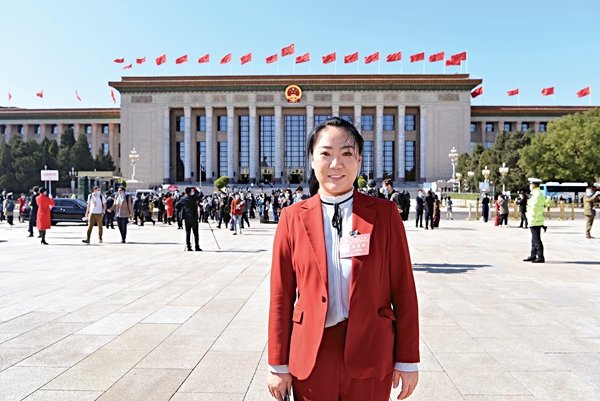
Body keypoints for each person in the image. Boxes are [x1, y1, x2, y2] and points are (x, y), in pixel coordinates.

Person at [267, 117, 419, 401]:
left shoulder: (384, 214)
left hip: (371, 347)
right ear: (312, 160)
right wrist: (278, 363)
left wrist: (408, 360)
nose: (336, 164)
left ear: (359, 160)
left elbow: (404, 290)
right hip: (313, 351)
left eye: (346, 154)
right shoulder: (292, 217)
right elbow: (281, 295)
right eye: (325, 154)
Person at [524, 178, 545, 263]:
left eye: (530, 184)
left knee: (536, 239)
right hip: (534, 219)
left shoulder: (537, 194)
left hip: (535, 219)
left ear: (533, 185)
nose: (530, 186)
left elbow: (533, 208)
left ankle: (540, 256)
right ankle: (533, 255)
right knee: (533, 239)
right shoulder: (536, 193)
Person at [176, 187, 202, 251]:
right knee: (195, 233)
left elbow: (177, 205)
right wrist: (197, 189)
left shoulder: (183, 198)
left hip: (186, 217)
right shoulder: (194, 198)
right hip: (194, 217)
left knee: (188, 233)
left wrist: (182, 210)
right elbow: (201, 195)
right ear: (191, 192)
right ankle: (197, 246)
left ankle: (188, 247)